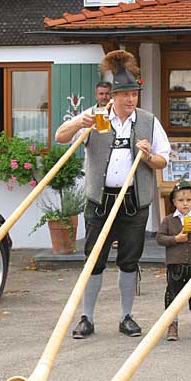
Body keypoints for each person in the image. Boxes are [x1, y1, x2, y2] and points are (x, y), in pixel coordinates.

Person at [55, 50, 171, 339]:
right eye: (125, 95)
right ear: (112, 96)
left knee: (129, 261)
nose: (131, 100)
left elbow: (163, 160)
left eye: (134, 94)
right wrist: (79, 124)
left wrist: (147, 157)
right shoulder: (96, 116)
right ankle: (87, 318)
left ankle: (127, 317)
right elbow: (60, 136)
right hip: (100, 200)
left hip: (134, 201)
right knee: (94, 260)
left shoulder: (148, 121)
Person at [156, 180, 191, 341]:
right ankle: (172, 325)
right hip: (175, 265)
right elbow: (160, 238)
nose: (185, 204)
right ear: (174, 202)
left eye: (188, 200)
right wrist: (175, 239)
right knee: (173, 294)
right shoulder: (168, 220)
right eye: (180, 200)